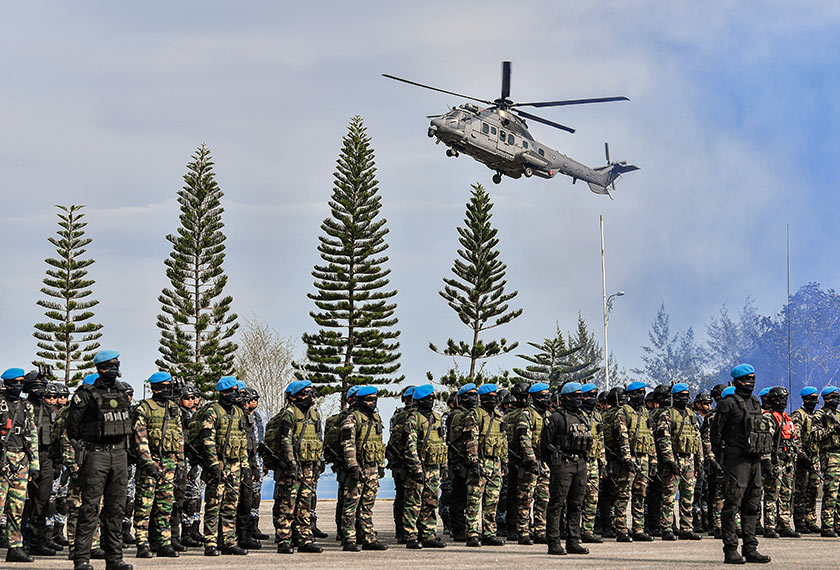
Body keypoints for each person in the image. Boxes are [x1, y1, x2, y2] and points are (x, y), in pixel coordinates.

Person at [65, 351, 133, 570]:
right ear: (100, 368)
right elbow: (72, 428)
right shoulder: (85, 394)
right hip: (96, 454)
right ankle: (82, 559)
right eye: (109, 366)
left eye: (116, 365)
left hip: (120, 454)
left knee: (116, 509)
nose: (114, 369)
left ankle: (114, 559)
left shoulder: (122, 391)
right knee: (90, 508)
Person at [710, 363, 772, 564]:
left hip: (754, 460)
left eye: (753, 378)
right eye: (746, 379)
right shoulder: (727, 403)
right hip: (736, 461)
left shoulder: (755, 402)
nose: (750, 383)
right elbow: (716, 434)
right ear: (736, 381)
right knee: (733, 505)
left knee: (753, 505)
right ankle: (730, 549)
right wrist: (721, 460)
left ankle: (750, 548)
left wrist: (765, 459)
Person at [266, 380, 323, 554]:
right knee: (287, 504)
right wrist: (290, 463)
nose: (310, 397)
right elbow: (286, 440)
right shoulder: (289, 413)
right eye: (305, 393)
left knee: (305, 504)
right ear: (296, 396)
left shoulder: (314, 414)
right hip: (292, 467)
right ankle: (284, 539)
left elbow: (318, 439)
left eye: (311, 393)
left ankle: (305, 539)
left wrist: (319, 461)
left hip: (309, 466)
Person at [132, 371, 184, 558]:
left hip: (169, 463)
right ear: (154, 388)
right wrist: (148, 462)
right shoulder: (144, 408)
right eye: (163, 386)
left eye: (168, 385)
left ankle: (164, 542)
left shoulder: (173, 408)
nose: (167, 389)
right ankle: (142, 543)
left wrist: (180, 463)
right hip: (150, 463)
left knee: (165, 506)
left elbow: (179, 438)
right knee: (144, 505)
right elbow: (140, 438)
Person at [541, 382, 592, 556]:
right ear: (565, 398)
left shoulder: (583, 416)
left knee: (577, 504)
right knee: (557, 504)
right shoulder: (556, 418)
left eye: (580, 395)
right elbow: (545, 445)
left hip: (581, 463)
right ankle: (554, 542)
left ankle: (573, 541)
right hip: (563, 463)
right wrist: (556, 464)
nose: (579, 399)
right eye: (575, 396)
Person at [198, 376, 248, 556]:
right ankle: (210, 542)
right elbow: (207, 440)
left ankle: (228, 542)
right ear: (224, 392)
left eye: (237, 391)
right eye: (232, 391)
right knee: (213, 505)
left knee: (231, 505)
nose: (236, 394)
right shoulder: (212, 411)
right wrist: (213, 464)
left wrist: (245, 466)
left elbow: (242, 440)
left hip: (235, 465)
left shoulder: (238, 412)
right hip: (218, 464)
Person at [604, 381, 655, 542]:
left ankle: (638, 528)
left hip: (644, 457)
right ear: (631, 394)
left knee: (640, 494)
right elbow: (622, 436)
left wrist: (653, 459)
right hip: (628, 459)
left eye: (643, 392)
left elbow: (650, 436)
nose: (642, 395)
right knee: (623, 495)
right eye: (639, 393)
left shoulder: (645, 412)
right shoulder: (623, 412)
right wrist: (626, 458)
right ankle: (621, 529)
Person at [339, 386, 388, 551]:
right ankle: (349, 538)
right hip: (358, 468)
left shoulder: (376, 418)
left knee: (367, 505)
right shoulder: (352, 419)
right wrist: (352, 466)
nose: (372, 403)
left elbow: (379, 443)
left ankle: (368, 538)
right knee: (351, 505)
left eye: (374, 399)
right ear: (360, 401)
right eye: (368, 399)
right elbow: (348, 444)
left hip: (372, 469)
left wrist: (381, 466)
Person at [0, 368, 40, 563]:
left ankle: (15, 547)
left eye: (21, 382)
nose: (18, 385)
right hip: (3, 459)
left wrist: (35, 464)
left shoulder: (26, 406)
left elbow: (32, 434)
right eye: (15, 382)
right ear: (6, 383)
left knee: (17, 507)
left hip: (21, 460)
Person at [402, 384, 447, 549]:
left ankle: (428, 534)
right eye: (427, 398)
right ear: (419, 401)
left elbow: (442, 442)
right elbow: (410, 446)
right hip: (419, 467)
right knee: (413, 503)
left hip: (434, 467)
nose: (431, 401)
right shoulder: (413, 419)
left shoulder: (437, 417)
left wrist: (444, 465)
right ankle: (410, 535)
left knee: (430, 502)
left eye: (432, 398)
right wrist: (416, 467)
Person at [655, 383, 702, 541]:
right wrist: (669, 460)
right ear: (674, 397)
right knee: (669, 496)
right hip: (674, 459)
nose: (684, 398)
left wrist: (699, 460)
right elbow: (663, 438)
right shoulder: (667, 414)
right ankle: (666, 528)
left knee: (688, 496)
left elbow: (697, 438)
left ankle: (686, 528)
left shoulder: (691, 414)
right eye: (680, 395)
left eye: (686, 395)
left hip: (689, 459)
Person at [22, 369, 61, 555]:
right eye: (36, 387)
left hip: (46, 458)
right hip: (24, 457)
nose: (40, 391)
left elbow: (56, 437)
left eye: (42, 387)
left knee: (43, 502)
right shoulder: (22, 407)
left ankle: (38, 542)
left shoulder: (48, 409)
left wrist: (58, 462)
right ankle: (22, 542)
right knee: (24, 503)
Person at [462, 383, 506, 547]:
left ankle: (489, 533)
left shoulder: (499, 415)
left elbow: (504, 439)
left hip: (496, 462)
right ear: (483, 398)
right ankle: (472, 533)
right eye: (489, 398)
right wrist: (473, 462)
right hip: (480, 461)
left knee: (492, 501)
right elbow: (470, 440)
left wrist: (505, 462)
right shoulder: (474, 415)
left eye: (495, 397)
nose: (493, 400)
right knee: (474, 500)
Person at [512, 382, 550, 545]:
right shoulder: (526, 414)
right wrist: (531, 460)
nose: (546, 399)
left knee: (543, 498)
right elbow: (524, 439)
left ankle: (540, 530)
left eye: (547, 395)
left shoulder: (549, 415)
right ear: (533, 398)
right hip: (530, 463)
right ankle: (523, 531)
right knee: (526, 499)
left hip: (546, 463)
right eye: (542, 396)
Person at [173, 384, 203, 547]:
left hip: (192, 461)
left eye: (193, 398)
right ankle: (179, 535)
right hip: (181, 461)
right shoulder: (179, 415)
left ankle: (189, 531)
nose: (191, 401)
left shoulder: (193, 415)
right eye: (187, 398)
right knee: (181, 500)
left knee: (193, 498)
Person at [446, 383, 477, 541]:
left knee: (472, 497)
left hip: (472, 459)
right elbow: (452, 440)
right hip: (459, 460)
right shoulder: (455, 415)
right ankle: (457, 529)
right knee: (458, 496)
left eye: (475, 394)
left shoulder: (475, 414)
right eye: (470, 395)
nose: (473, 397)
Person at [385, 386, 415, 543]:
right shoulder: (401, 416)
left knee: (406, 497)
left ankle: (404, 531)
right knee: (405, 497)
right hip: (402, 462)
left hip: (403, 462)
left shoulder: (399, 416)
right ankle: (402, 531)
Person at [792, 386, 821, 534]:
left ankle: (811, 519)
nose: (814, 401)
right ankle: (799, 521)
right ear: (804, 399)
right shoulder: (798, 415)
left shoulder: (816, 416)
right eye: (811, 398)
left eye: (815, 398)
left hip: (815, 457)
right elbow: (795, 437)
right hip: (803, 458)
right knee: (801, 491)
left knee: (814, 490)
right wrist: (802, 455)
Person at [813, 386, 840, 537]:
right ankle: (827, 526)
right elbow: (815, 435)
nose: (836, 400)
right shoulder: (819, 415)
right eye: (834, 397)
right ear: (827, 398)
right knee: (831, 492)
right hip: (830, 456)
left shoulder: (839, 414)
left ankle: (838, 524)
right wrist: (832, 429)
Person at [580, 382, 605, 543]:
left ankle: (587, 530)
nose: (593, 399)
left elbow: (600, 440)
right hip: (578, 461)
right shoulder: (576, 414)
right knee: (575, 498)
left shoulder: (597, 416)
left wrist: (603, 462)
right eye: (590, 395)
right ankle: (573, 530)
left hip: (594, 461)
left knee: (592, 497)